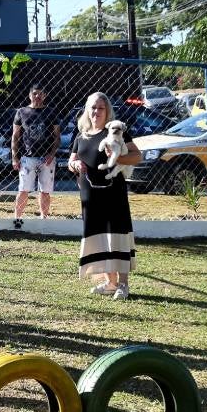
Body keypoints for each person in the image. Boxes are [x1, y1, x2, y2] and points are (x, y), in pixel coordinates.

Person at [67, 91, 140, 301]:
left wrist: (119, 160)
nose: (96, 112)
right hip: (90, 198)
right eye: (93, 108)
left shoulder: (115, 132)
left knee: (117, 235)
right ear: (86, 111)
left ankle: (123, 284)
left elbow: (137, 155)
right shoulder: (81, 136)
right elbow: (71, 160)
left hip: (113, 195)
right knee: (99, 238)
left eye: (100, 108)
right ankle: (110, 283)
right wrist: (73, 164)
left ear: (107, 111)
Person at [12, 84, 60, 221]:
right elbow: (15, 136)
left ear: (45, 96)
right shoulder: (21, 112)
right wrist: (14, 158)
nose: (37, 96)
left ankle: (44, 218)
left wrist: (52, 153)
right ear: (29, 95)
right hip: (27, 157)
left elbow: (57, 136)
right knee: (23, 189)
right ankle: (17, 218)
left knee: (45, 191)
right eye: (35, 93)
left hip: (47, 158)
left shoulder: (51, 112)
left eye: (41, 94)